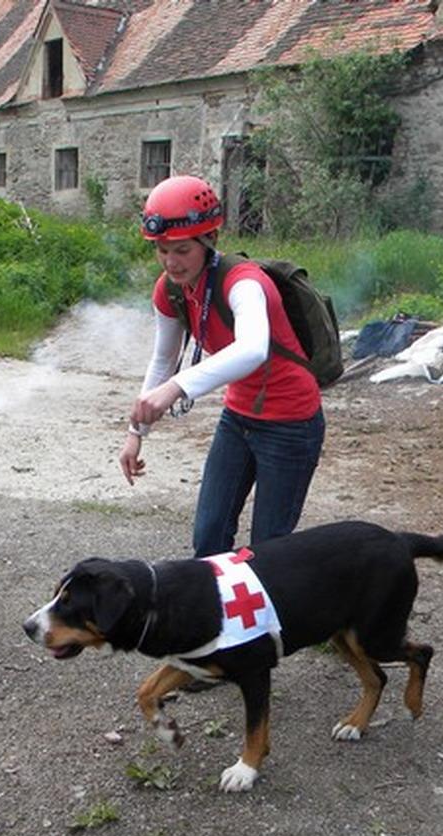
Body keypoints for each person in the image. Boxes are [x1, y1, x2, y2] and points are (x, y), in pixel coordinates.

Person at [119, 174, 325, 557]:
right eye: (161, 250)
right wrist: (136, 431)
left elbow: (252, 350)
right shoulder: (169, 290)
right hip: (239, 418)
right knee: (209, 538)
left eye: (181, 250)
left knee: (269, 552)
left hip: (291, 423)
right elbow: (163, 359)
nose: (170, 262)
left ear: (209, 241)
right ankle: (215, 617)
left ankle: (274, 617)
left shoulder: (244, 282)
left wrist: (177, 388)